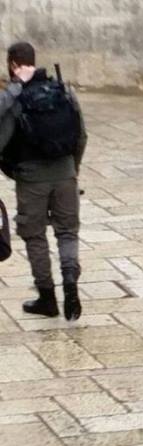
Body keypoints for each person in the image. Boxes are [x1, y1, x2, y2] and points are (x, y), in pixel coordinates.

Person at [0, 42, 87, 321]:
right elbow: (81, 135)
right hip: (66, 173)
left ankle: (47, 298)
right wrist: (72, 169)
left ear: (13, 64)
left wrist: (12, 170)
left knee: (34, 235)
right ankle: (71, 285)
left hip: (31, 178)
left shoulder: (16, 98)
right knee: (67, 232)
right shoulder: (62, 90)